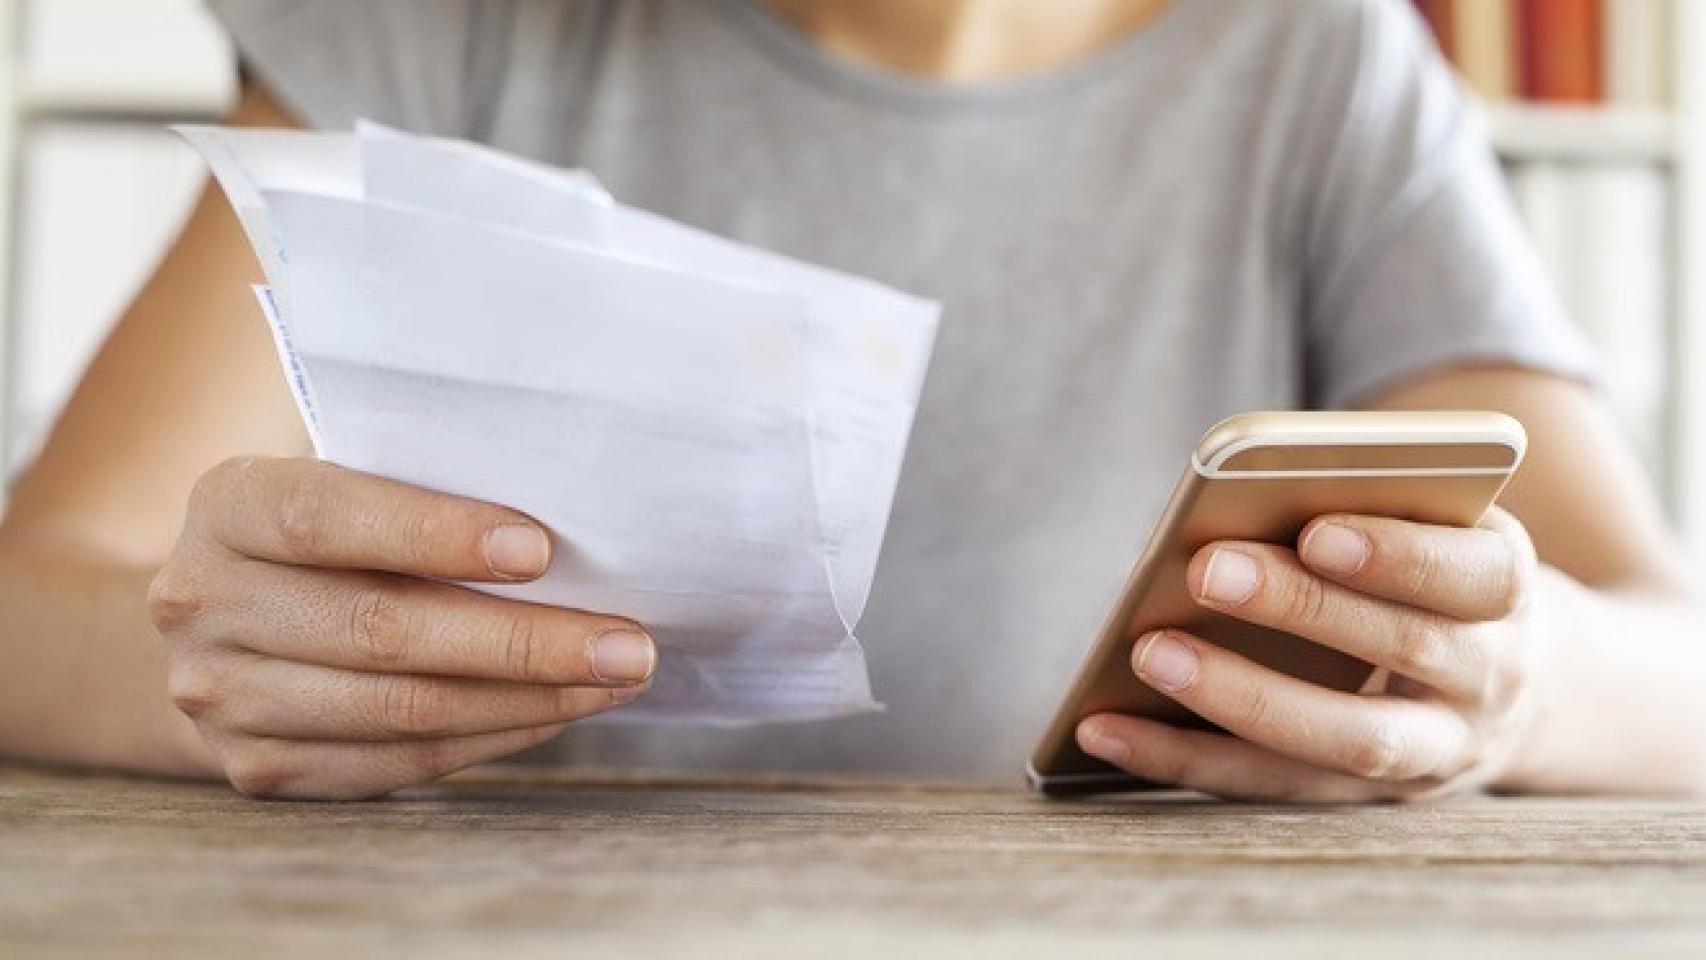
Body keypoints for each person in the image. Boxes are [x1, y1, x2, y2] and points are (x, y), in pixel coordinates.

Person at [1, 0, 1701, 802]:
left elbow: (1673, 666)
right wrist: (215, 663)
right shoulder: (455, 26)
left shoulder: (1316, 67)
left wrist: (1520, 688)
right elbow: (30, 606)